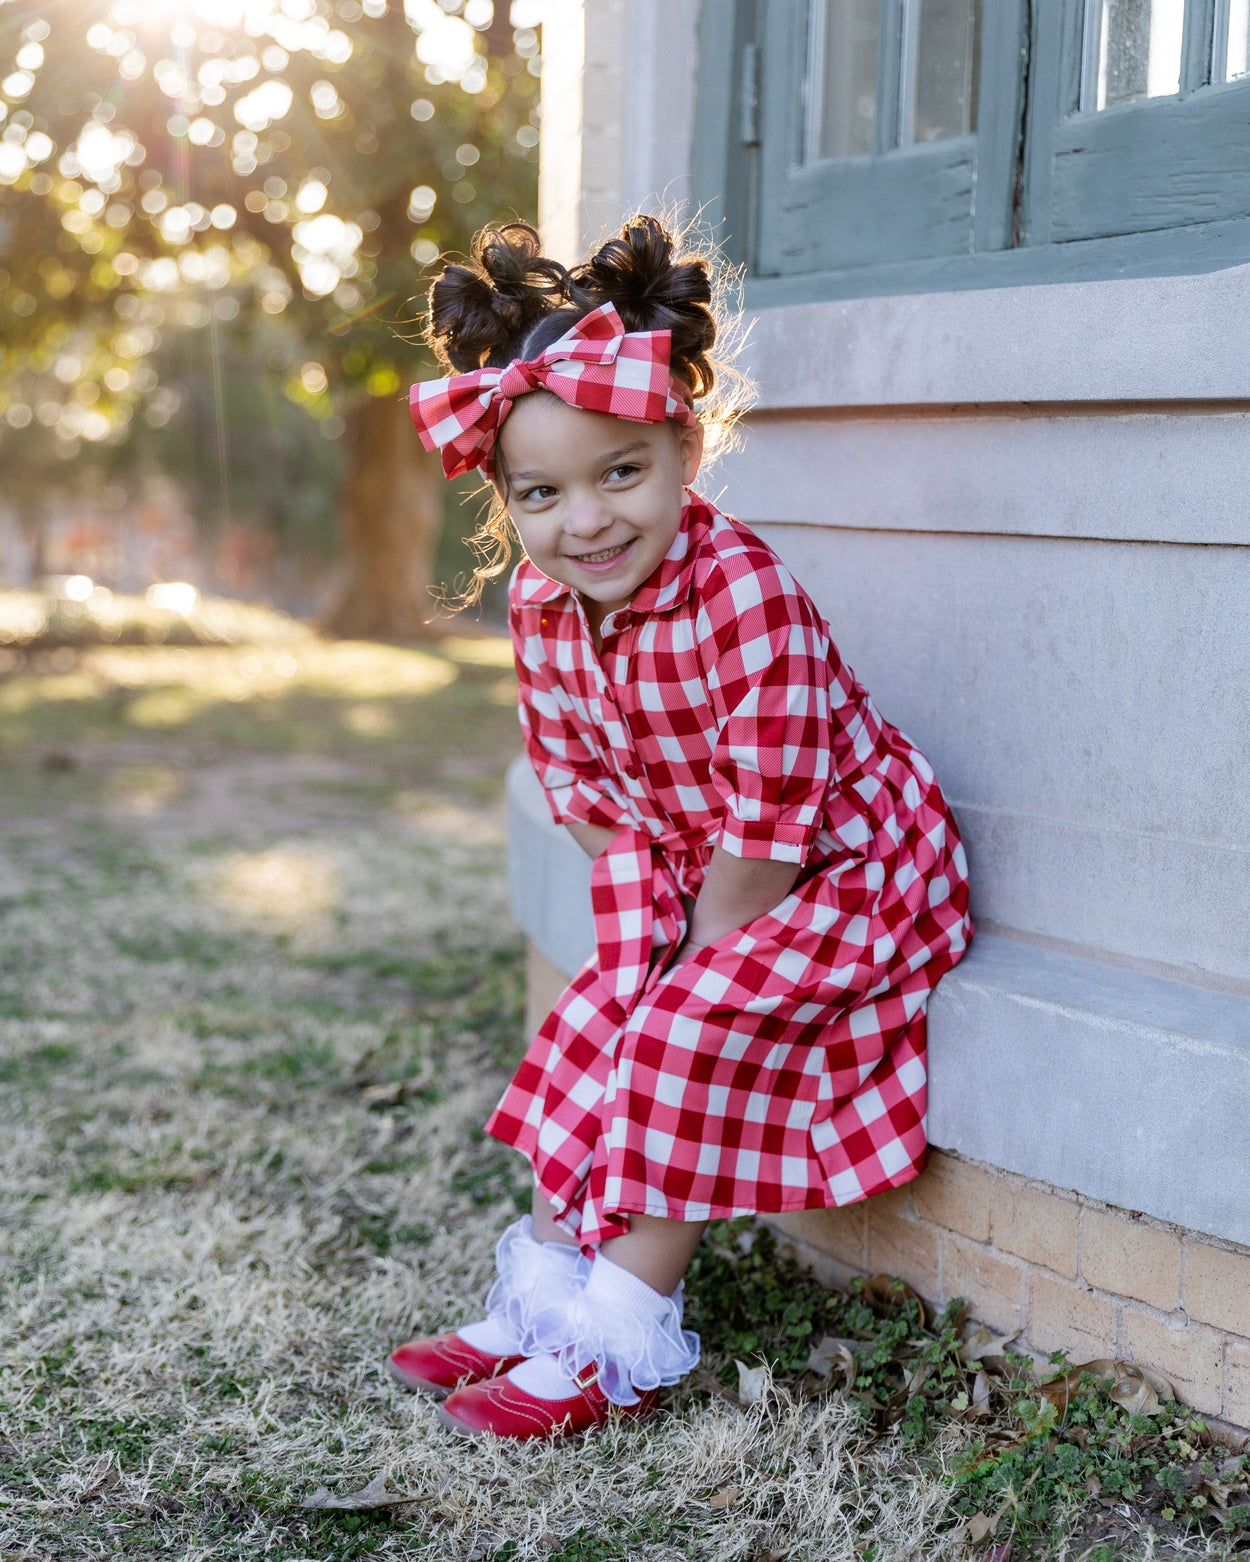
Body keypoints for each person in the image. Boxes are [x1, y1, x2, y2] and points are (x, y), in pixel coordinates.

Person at [390, 215, 972, 1441]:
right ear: (504, 499)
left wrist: (684, 961)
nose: (585, 521)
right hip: (684, 864)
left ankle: (612, 1339)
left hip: (839, 866)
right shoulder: (545, 606)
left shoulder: (740, 592)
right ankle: (543, 1297)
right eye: (540, 493)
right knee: (589, 1027)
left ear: (683, 444)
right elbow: (588, 796)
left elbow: (764, 834)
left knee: (672, 1037)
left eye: (620, 473)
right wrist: (636, 935)